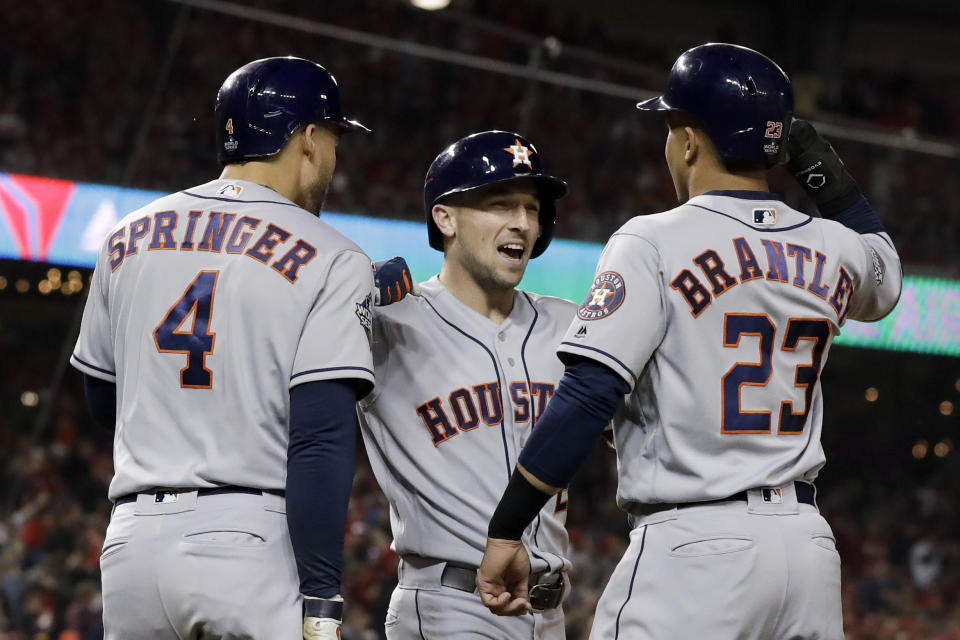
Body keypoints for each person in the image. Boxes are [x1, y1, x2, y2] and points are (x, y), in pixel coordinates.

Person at [476, 43, 903, 639]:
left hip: (695, 551)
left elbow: (588, 395)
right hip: (807, 552)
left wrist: (508, 525)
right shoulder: (835, 247)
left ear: (690, 139)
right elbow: (888, 273)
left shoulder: (654, 240)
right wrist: (819, 167)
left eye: (671, 126)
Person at [70, 56, 387, 640]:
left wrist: (181, 428)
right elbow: (320, 436)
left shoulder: (126, 235)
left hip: (131, 548)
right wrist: (320, 596)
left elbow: (99, 396)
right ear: (309, 139)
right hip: (246, 540)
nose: (335, 159)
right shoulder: (334, 255)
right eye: (335, 139)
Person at [357, 130, 575, 639]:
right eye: (500, 204)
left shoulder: (571, 326)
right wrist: (348, 289)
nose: (522, 223)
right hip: (452, 605)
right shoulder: (393, 322)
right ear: (445, 217)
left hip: (550, 613)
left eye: (531, 208)